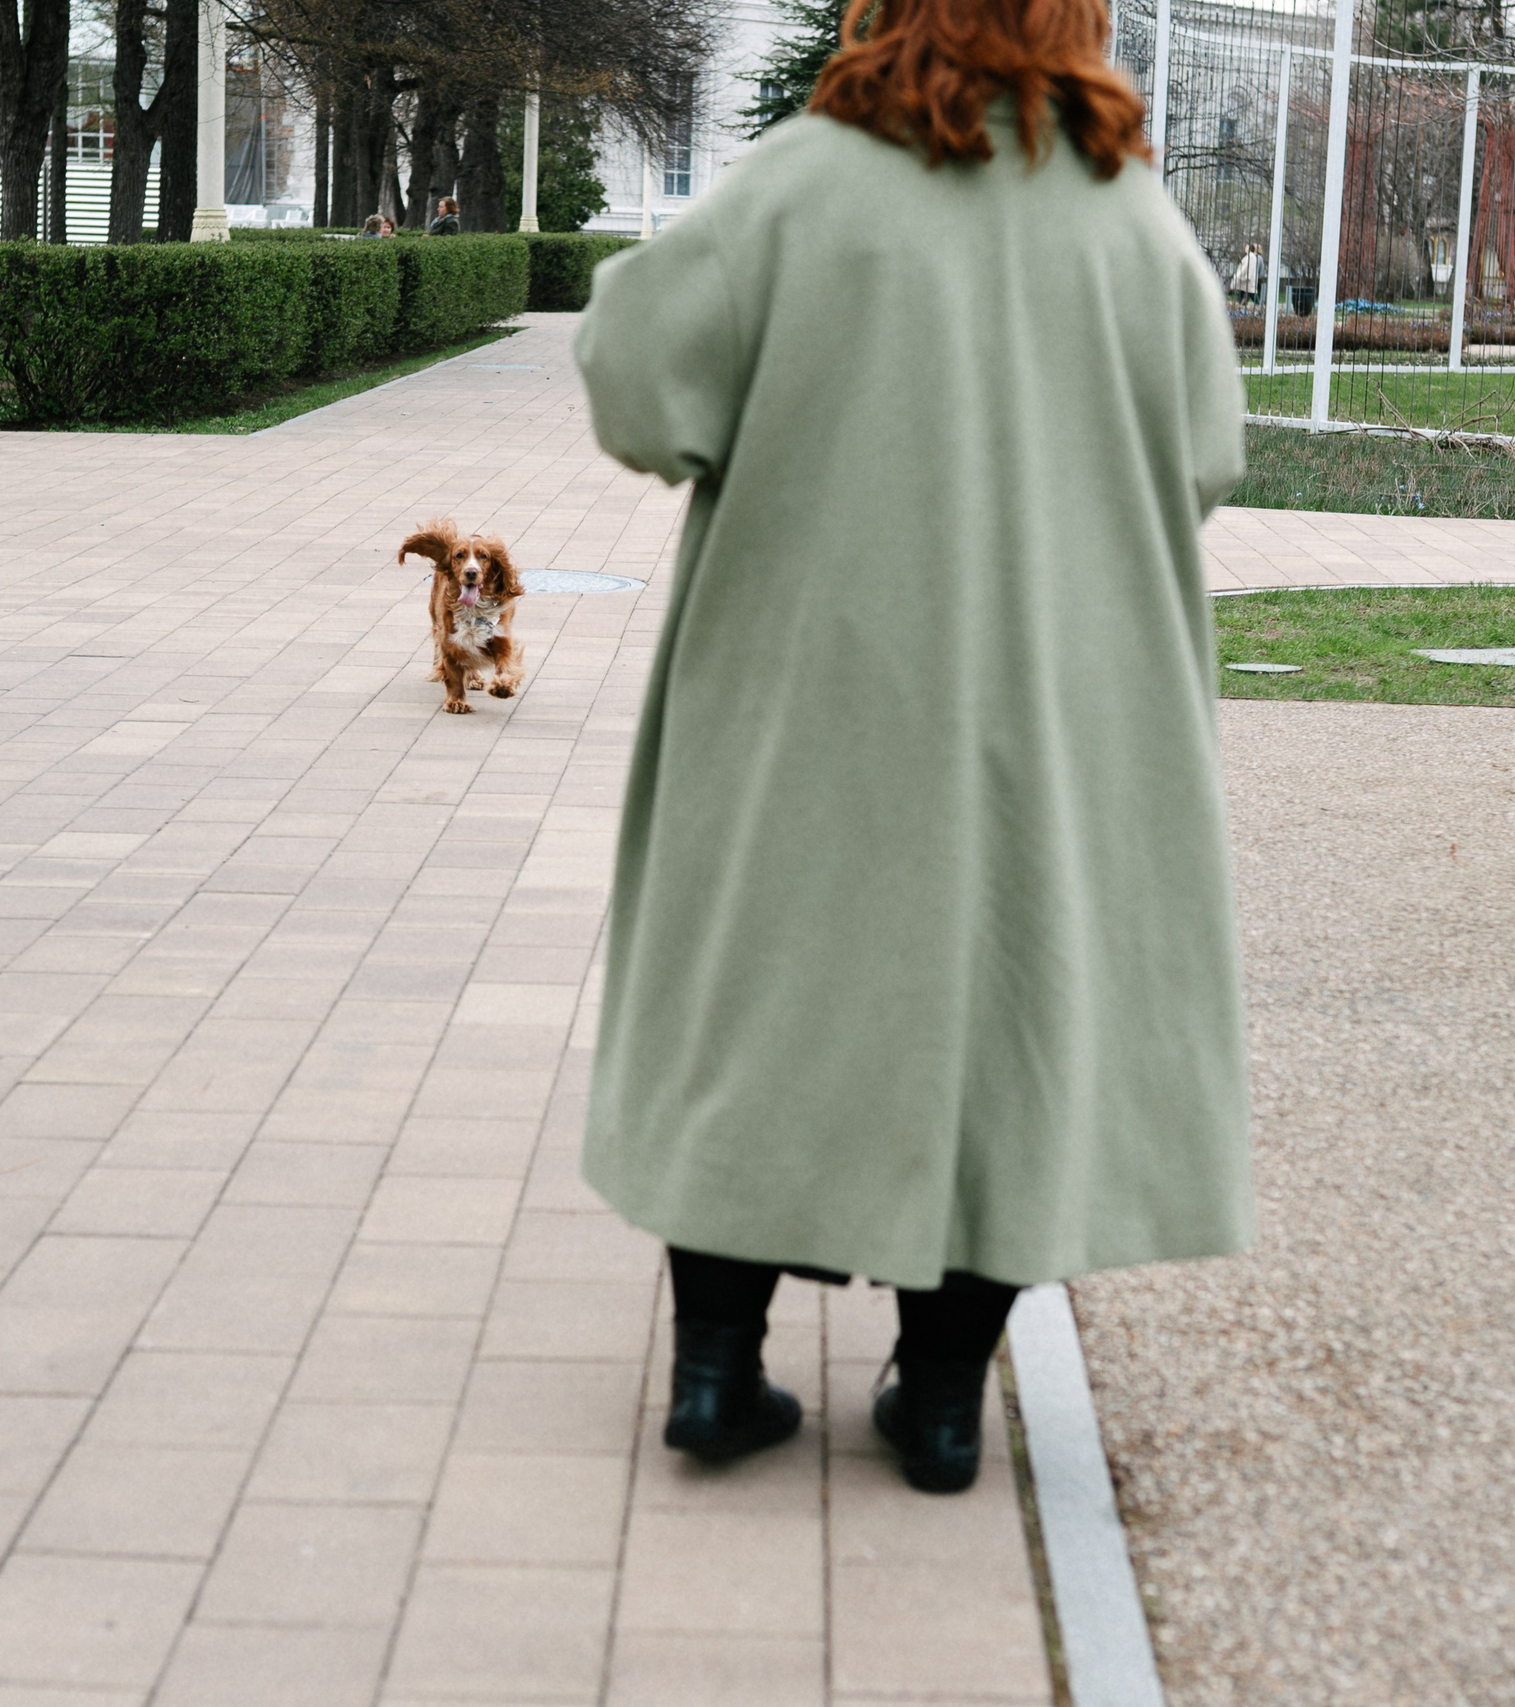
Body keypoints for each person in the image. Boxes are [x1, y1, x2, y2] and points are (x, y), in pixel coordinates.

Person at [572, 0, 1251, 1495]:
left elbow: (634, 374)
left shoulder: (804, 182)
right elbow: (1207, 453)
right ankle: (942, 1402)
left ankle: (714, 1371)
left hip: (805, 687)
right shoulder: (1129, 219)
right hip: (1051, 705)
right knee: (1012, 1014)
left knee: (759, 995)